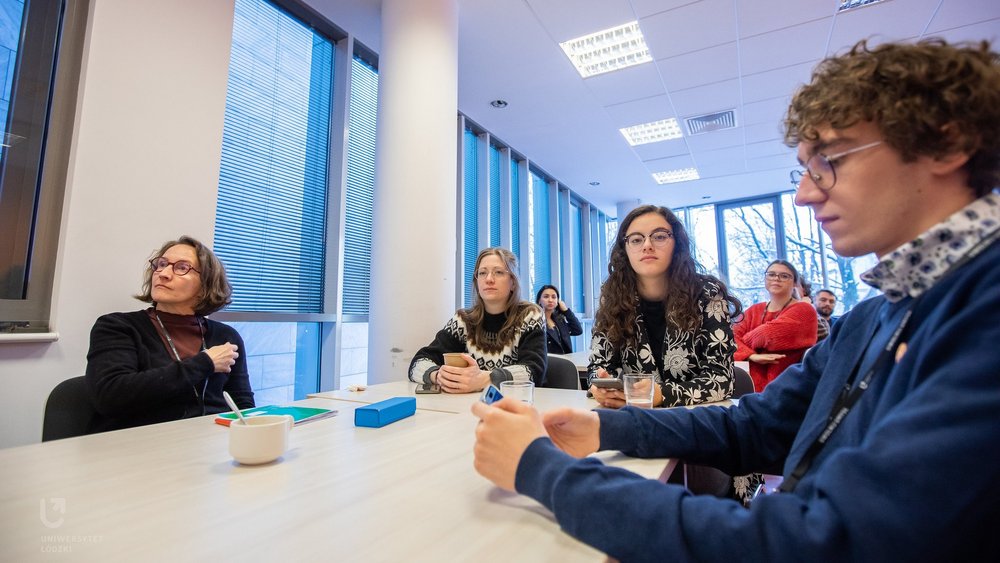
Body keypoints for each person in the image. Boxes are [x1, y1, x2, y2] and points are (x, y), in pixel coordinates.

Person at [470, 38, 1000, 561]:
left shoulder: (982, 310)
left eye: (830, 161)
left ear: (946, 145)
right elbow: (754, 424)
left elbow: (823, 540)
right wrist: (607, 426)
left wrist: (539, 468)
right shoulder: (876, 316)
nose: (805, 193)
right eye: (806, 170)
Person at [86, 236, 254, 432]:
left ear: (205, 284)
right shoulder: (117, 326)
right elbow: (110, 396)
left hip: (208, 445)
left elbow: (242, 405)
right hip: (135, 446)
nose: (163, 273)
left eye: (182, 267)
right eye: (161, 264)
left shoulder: (226, 336)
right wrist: (204, 363)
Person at [587, 204, 742, 408]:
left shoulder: (707, 293)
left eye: (659, 236)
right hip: (635, 418)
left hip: (695, 420)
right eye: (636, 239)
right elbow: (597, 368)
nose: (647, 245)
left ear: (677, 244)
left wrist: (663, 395)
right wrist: (602, 387)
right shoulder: (613, 297)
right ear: (625, 250)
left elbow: (722, 379)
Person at [409, 247, 546, 392]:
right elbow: (418, 362)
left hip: (517, 405)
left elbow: (534, 371)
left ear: (513, 282)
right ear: (477, 282)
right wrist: (438, 375)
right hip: (469, 406)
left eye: (498, 272)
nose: (489, 279)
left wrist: (485, 379)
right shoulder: (464, 320)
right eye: (482, 273)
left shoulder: (530, 315)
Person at [733, 260, 818, 391]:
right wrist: (751, 355)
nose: (776, 279)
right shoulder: (754, 309)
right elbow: (730, 338)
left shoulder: (805, 310)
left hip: (784, 388)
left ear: (795, 282)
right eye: (771, 274)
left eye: (784, 276)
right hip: (747, 386)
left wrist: (743, 344)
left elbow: (767, 335)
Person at [534, 284, 582, 355]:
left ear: (557, 302)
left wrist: (566, 311)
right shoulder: (535, 321)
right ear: (539, 301)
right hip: (549, 362)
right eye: (546, 297)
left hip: (566, 360)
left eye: (554, 297)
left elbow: (578, 330)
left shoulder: (560, 320)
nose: (550, 300)